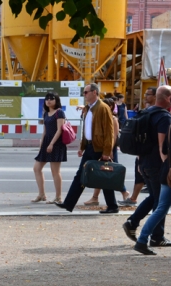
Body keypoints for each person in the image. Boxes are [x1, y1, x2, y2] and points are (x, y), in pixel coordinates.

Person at [122, 85, 171, 246]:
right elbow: (162, 145)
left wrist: (139, 162)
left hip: (144, 162)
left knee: (154, 197)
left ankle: (133, 222)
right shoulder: (164, 117)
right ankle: (156, 237)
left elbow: (140, 140)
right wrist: (169, 166)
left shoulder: (146, 113)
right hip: (158, 164)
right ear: (167, 98)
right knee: (160, 202)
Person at [55, 83, 118, 213]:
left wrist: (107, 151)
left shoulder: (103, 108)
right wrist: (82, 146)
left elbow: (109, 132)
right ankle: (69, 204)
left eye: (86, 92)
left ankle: (112, 206)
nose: (84, 95)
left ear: (94, 92)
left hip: (99, 148)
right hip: (90, 147)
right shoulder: (89, 108)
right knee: (86, 176)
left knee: (100, 177)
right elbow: (86, 130)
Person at [135, 122, 171, 255]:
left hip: (167, 172)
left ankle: (142, 240)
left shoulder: (170, 125)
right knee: (161, 208)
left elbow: (164, 150)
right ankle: (141, 240)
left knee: (161, 208)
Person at [83, 97, 131, 205]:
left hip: (109, 149)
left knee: (108, 172)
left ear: (110, 106)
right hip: (104, 148)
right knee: (102, 172)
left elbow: (113, 137)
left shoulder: (113, 119)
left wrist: (109, 151)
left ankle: (123, 192)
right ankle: (96, 197)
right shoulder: (103, 117)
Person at [32, 92, 66, 204]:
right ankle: (41, 194)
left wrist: (51, 143)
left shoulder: (59, 112)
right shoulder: (46, 113)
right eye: (47, 99)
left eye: (52, 98)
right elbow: (45, 131)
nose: (49, 100)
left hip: (56, 143)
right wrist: (42, 144)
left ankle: (58, 197)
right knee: (37, 168)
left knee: (55, 171)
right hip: (47, 142)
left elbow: (59, 130)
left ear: (56, 100)